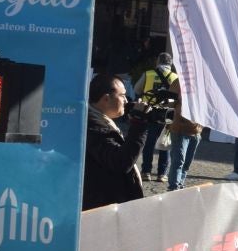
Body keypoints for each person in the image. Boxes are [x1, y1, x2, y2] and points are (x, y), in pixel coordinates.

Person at [83, 73, 156, 210]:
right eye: (122, 96)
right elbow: (121, 162)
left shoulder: (97, 120)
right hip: (102, 210)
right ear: (106, 98)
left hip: (105, 205)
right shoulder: (93, 126)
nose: (127, 101)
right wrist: (139, 124)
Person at [136, 53, 179, 180]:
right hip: (168, 113)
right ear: (170, 64)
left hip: (150, 112)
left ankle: (146, 172)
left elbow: (137, 90)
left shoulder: (148, 74)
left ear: (158, 62)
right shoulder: (175, 77)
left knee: (149, 143)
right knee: (165, 143)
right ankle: (162, 174)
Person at [164, 87, 202, 190]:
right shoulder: (178, 81)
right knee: (178, 160)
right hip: (180, 129)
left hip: (196, 130)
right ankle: (174, 186)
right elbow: (169, 104)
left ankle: (180, 183)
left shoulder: (202, 81)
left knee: (187, 163)